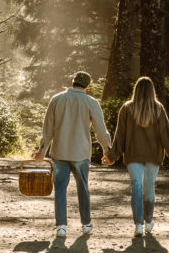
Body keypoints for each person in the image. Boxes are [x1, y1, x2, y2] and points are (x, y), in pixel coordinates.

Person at [102, 76, 169, 237]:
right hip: (153, 155)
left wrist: (111, 155)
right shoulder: (158, 108)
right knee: (149, 187)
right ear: (152, 91)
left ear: (136, 90)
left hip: (133, 155)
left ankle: (138, 224)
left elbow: (120, 135)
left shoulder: (127, 108)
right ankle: (149, 221)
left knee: (137, 187)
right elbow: (166, 134)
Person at [34, 70, 111, 239]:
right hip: (81, 153)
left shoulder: (56, 99)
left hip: (59, 152)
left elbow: (48, 129)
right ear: (87, 85)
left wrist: (42, 151)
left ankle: (61, 226)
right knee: (83, 188)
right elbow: (100, 130)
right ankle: (86, 224)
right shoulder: (91, 102)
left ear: (73, 82)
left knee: (60, 189)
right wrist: (107, 150)